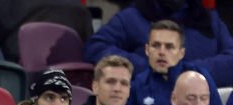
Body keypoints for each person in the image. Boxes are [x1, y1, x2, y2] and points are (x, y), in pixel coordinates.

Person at [83, 0, 233, 87]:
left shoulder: (209, 19)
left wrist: (189, 72)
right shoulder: (132, 17)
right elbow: (96, 47)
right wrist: (149, 69)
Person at [126, 20, 226, 105]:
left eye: (169, 47)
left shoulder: (200, 77)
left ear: (181, 53)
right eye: (156, 45)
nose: (161, 52)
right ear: (147, 50)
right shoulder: (138, 85)